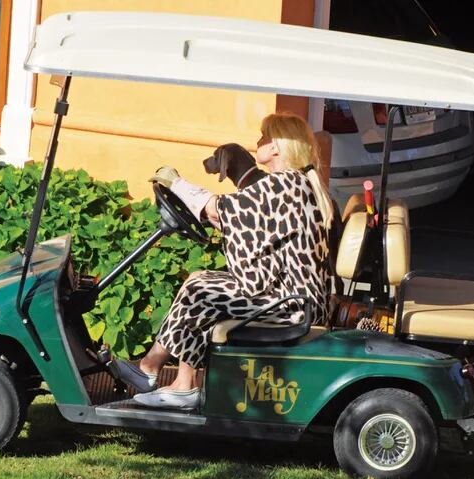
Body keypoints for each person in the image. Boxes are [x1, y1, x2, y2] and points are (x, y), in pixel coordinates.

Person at [112, 112, 335, 409]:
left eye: (265, 137)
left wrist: (175, 181)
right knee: (199, 282)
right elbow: (247, 226)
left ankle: (152, 368)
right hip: (292, 297)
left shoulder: (283, 185)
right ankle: (180, 382)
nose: (258, 142)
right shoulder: (294, 185)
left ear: (277, 148)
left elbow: (220, 209)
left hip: (291, 305)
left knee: (200, 290)